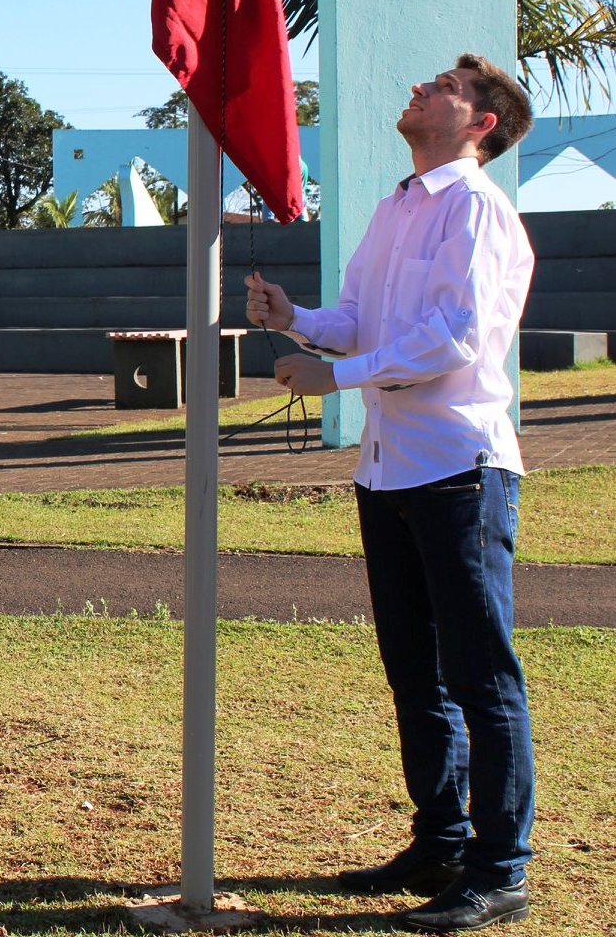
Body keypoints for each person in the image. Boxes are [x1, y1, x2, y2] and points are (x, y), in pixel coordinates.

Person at [246, 53, 536, 934]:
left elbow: (452, 342)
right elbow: (362, 324)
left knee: (481, 677)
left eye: (445, 86)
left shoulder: (478, 210)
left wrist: (337, 380)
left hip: (458, 467)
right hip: (391, 468)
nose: (418, 87)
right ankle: (440, 842)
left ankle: (499, 869)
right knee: (416, 674)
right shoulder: (397, 206)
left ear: (481, 122)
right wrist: (296, 318)